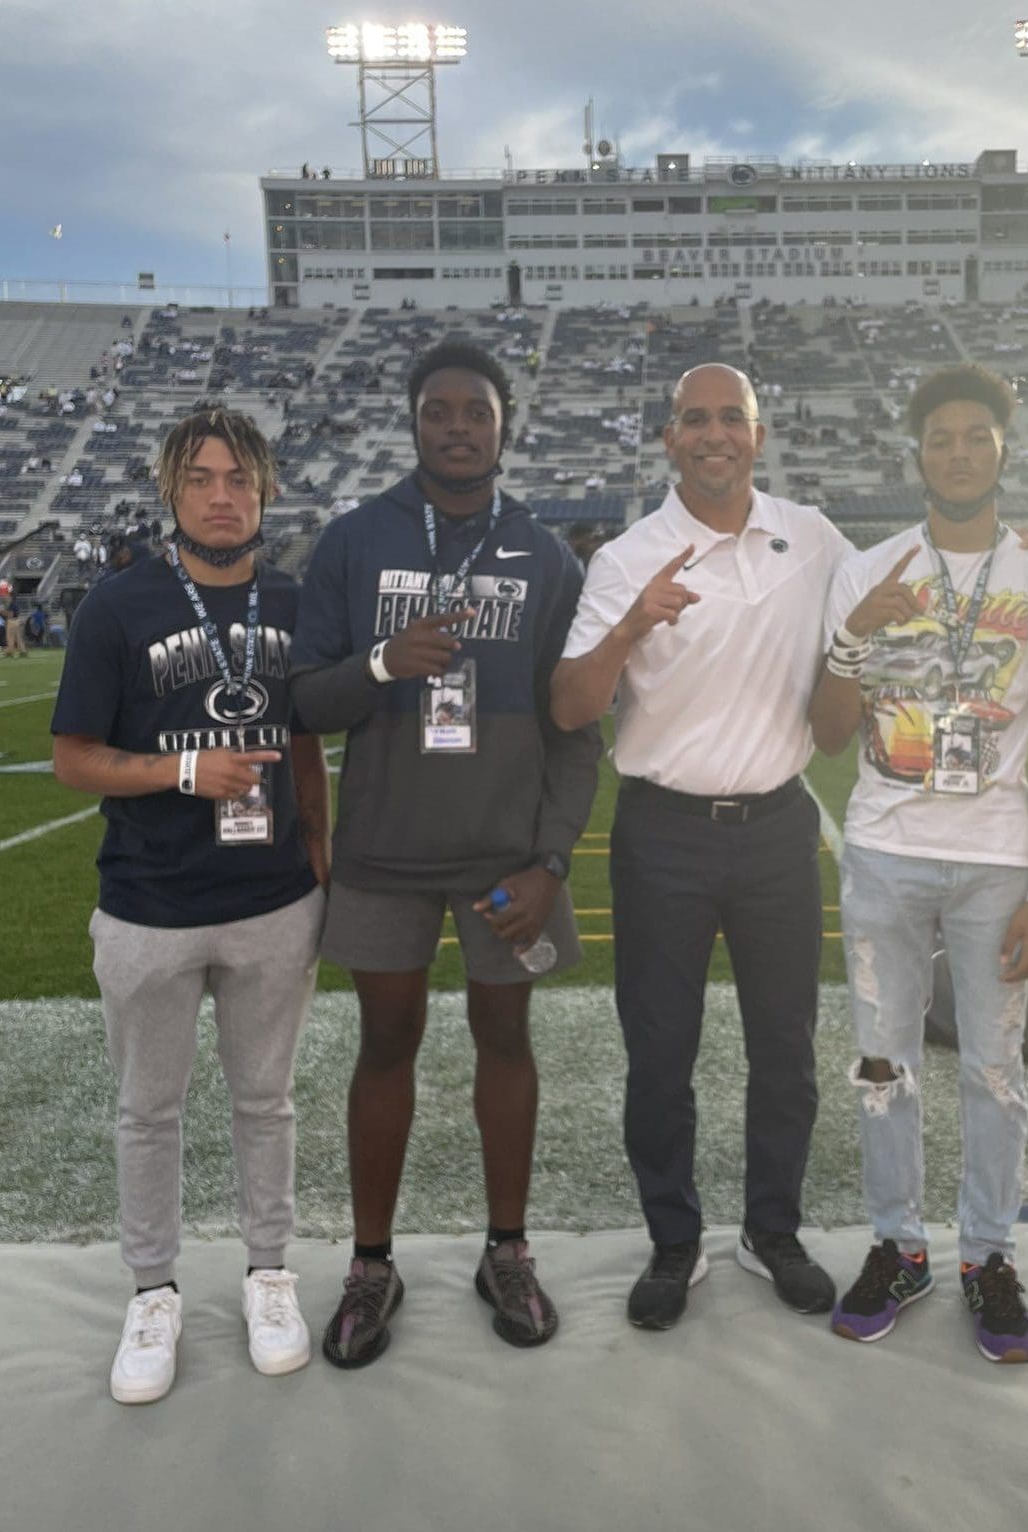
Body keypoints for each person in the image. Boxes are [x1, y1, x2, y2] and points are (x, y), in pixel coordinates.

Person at [290, 339, 600, 1367]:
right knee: (386, 1041)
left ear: (505, 426)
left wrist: (551, 859)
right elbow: (303, 699)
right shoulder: (353, 541)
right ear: (413, 423)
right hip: (386, 847)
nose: (458, 427)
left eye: (477, 412)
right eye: (439, 411)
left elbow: (575, 728)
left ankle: (507, 1250)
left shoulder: (546, 556)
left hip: (506, 857)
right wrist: (383, 661)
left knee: (505, 1037)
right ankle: (370, 1264)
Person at [551, 363, 846, 1331]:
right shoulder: (626, 557)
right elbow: (571, 706)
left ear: (759, 435)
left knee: (786, 1048)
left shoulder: (812, 535)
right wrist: (632, 624)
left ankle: (772, 1229)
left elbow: (905, 579)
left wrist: (1014, 552)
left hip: (778, 829)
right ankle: (674, 1238)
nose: (715, 434)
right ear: (670, 437)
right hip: (664, 834)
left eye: (732, 418)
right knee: (659, 1053)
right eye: (696, 419)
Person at [51, 406, 330, 1405]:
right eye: (203, 478)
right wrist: (183, 769)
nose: (222, 496)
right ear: (171, 489)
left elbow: (303, 739)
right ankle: (152, 1290)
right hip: (147, 899)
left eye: (240, 478)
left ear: (266, 490)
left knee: (267, 1101)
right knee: (147, 1110)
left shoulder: (296, 600)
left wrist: (321, 852)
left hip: (272, 897)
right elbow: (73, 757)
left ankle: (269, 1273)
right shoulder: (116, 606)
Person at [808, 363, 1028, 1359]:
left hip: (997, 863)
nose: (959, 454)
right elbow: (827, 734)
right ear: (917, 454)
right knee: (882, 1065)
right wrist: (855, 634)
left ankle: (989, 1255)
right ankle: (898, 1244)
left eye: (977, 437)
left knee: (994, 1070)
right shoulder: (869, 571)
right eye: (940, 439)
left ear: (1004, 448)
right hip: (885, 851)